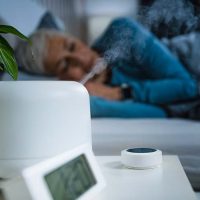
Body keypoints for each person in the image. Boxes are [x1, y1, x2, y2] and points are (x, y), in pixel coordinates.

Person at [15, 17, 199, 118]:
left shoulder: (121, 32)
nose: (80, 59)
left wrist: (121, 94)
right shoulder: (92, 101)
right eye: (64, 64)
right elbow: (163, 113)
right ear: (59, 79)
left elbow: (188, 87)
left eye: (71, 46)